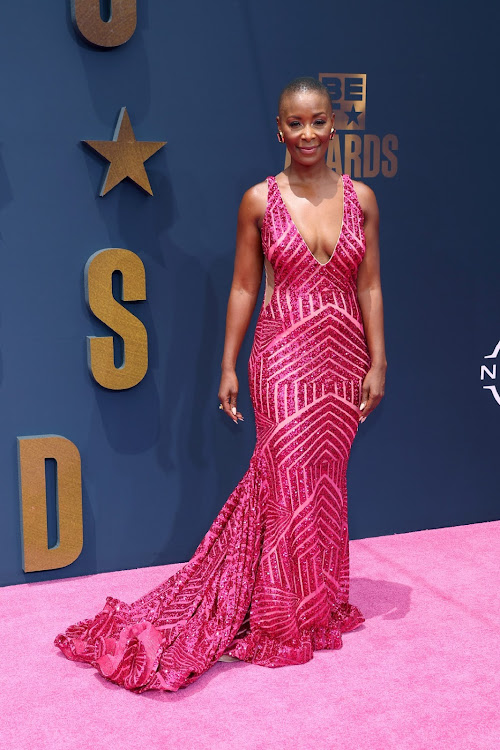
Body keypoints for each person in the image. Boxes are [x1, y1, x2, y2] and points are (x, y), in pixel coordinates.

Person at [54, 76, 386, 692]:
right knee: (284, 481)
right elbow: (242, 287)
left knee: (324, 484)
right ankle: (281, 618)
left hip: (342, 359)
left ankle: (318, 607)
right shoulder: (259, 200)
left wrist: (379, 360)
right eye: (295, 123)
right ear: (278, 129)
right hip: (281, 356)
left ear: (333, 124)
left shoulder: (361, 199)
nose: (307, 133)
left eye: (318, 121)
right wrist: (229, 364)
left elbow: (368, 284)